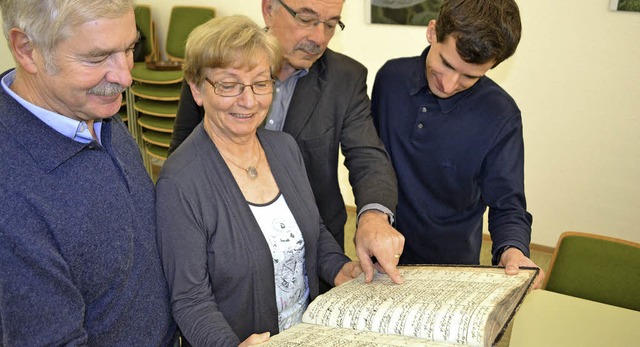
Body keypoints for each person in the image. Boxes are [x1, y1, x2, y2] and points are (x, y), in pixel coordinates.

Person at [155, 15, 363, 346]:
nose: (249, 101)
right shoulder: (181, 183)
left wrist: (339, 267)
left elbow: (314, 230)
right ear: (196, 89)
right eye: (228, 85)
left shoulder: (284, 148)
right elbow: (190, 300)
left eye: (260, 83)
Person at [168, 0, 404, 284]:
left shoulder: (345, 79)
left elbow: (367, 157)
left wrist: (374, 217)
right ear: (269, 9)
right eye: (306, 19)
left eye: (330, 25)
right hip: (228, 260)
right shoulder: (218, 64)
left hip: (315, 254)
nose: (318, 38)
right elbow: (184, 151)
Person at [0, 0, 175, 345]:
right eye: (97, 57)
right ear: (27, 50)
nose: (125, 76)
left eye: (129, 48)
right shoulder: (11, 199)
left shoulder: (87, 106)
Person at [371, 0, 545, 287]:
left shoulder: (501, 114)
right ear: (432, 31)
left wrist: (513, 249)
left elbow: (507, 202)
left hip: (452, 269)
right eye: (446, 64)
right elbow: (370, 161)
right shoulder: (390, 79)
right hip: (380, 258)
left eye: (469, 76)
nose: (449, 85)